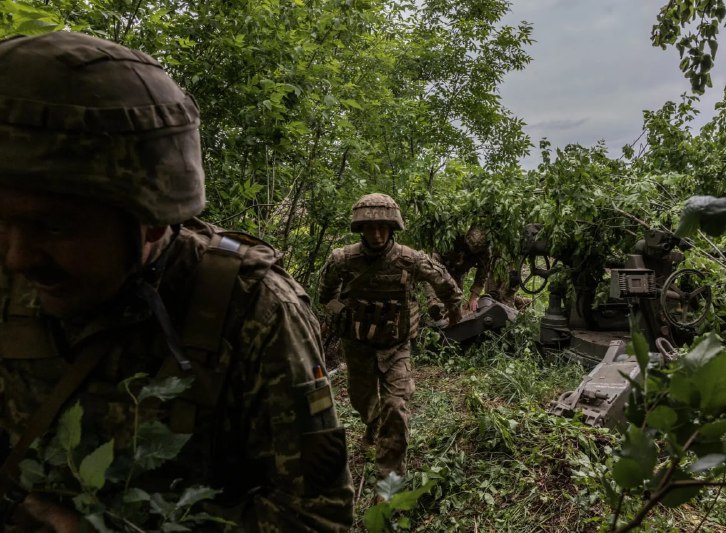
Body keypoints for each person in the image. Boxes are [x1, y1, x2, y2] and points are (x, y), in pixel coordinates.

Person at [0, 32, 353, 532]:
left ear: (153, 220)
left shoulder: (252, 311)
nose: (17, 257)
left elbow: (316, 517)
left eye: (55, 226)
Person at [318, 193, 462, 480]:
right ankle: (373, 423)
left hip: (396, 346)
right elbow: (325, 292)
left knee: (395, 407)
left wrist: (455, 309)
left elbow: (444, 282)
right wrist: (339, 311)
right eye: (370, 228)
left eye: (383, 226)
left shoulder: (410, 260)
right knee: (361, 400)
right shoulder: (343, 259)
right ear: (360, 229)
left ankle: (389, 483)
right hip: (358, 345)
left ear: (393, 227)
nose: (376, 233)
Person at [426, 226, 491, 318]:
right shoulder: (455, 234)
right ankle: (434, 303)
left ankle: (447, 320)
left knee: (455, 304)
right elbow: (435, 257)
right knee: (434, 278)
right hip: (441, 261)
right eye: (472, 245)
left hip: (458, 272)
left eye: (477, 248)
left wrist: (474, 297)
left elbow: (482, 275)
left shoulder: (485, 253)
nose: (474, 248)